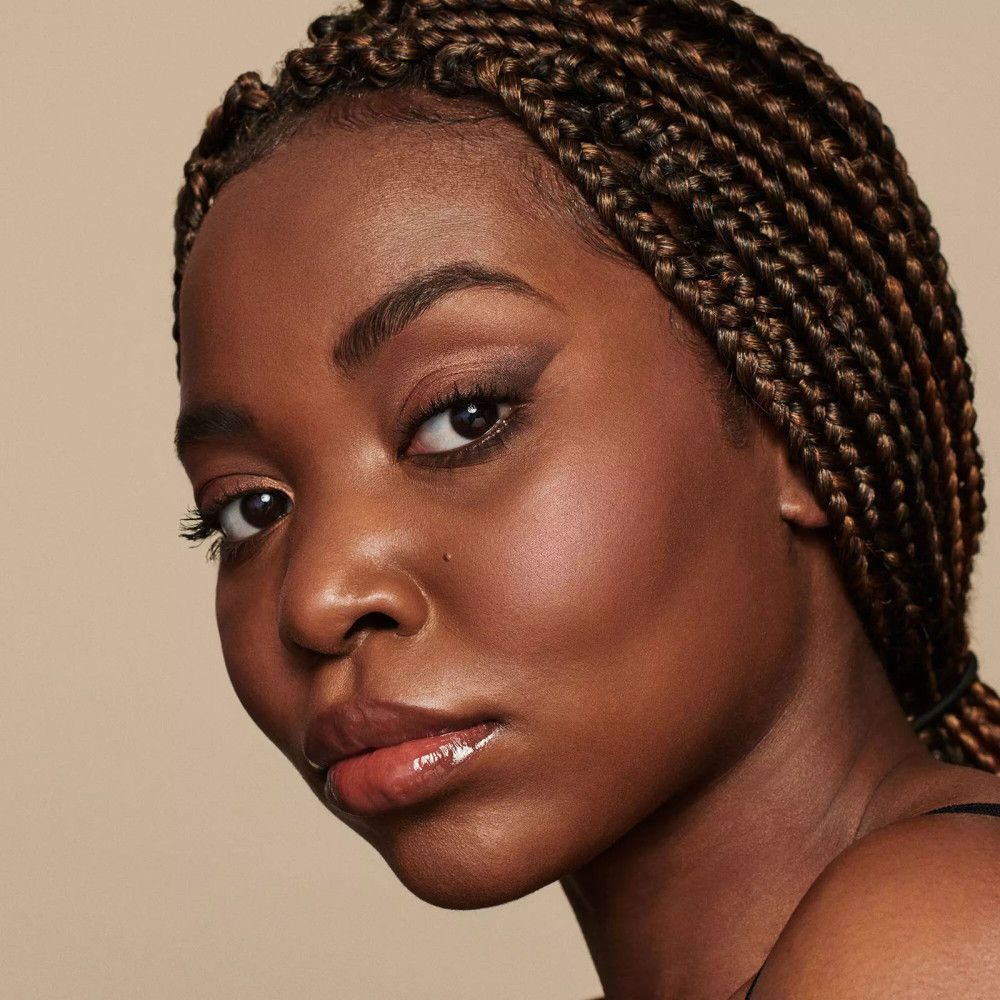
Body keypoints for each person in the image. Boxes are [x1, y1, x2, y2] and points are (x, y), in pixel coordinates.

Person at [171, 1, 1000, 996]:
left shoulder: (936, 938)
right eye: (249, 508)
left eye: (463, 416)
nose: (315, 597)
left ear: (787, 416)